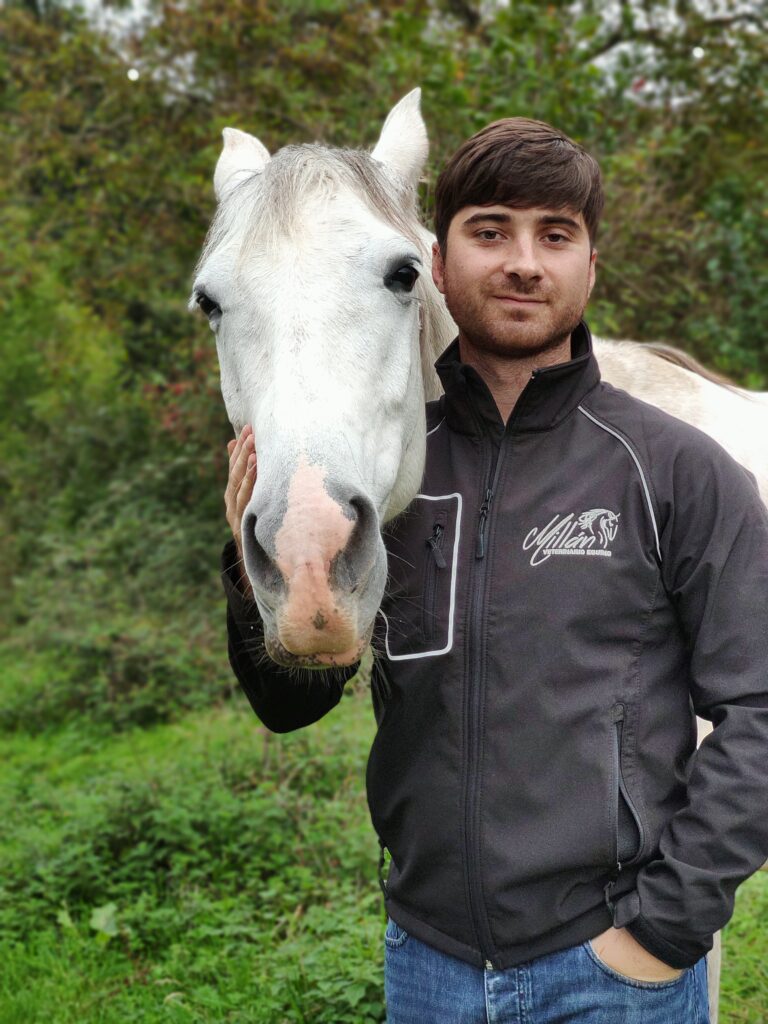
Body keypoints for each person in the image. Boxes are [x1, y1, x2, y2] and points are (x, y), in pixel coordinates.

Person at [221, 119, 768, 1024]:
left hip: (615, 967)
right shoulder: (391, 473)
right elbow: (294, 703)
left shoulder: (674, 467)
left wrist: (666, 932)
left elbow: (759, 707)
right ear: (438, 262)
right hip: (427, 962)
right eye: (490, 231)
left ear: (591, 266)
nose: (523, 262)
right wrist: (257, 575)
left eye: (555, 235)